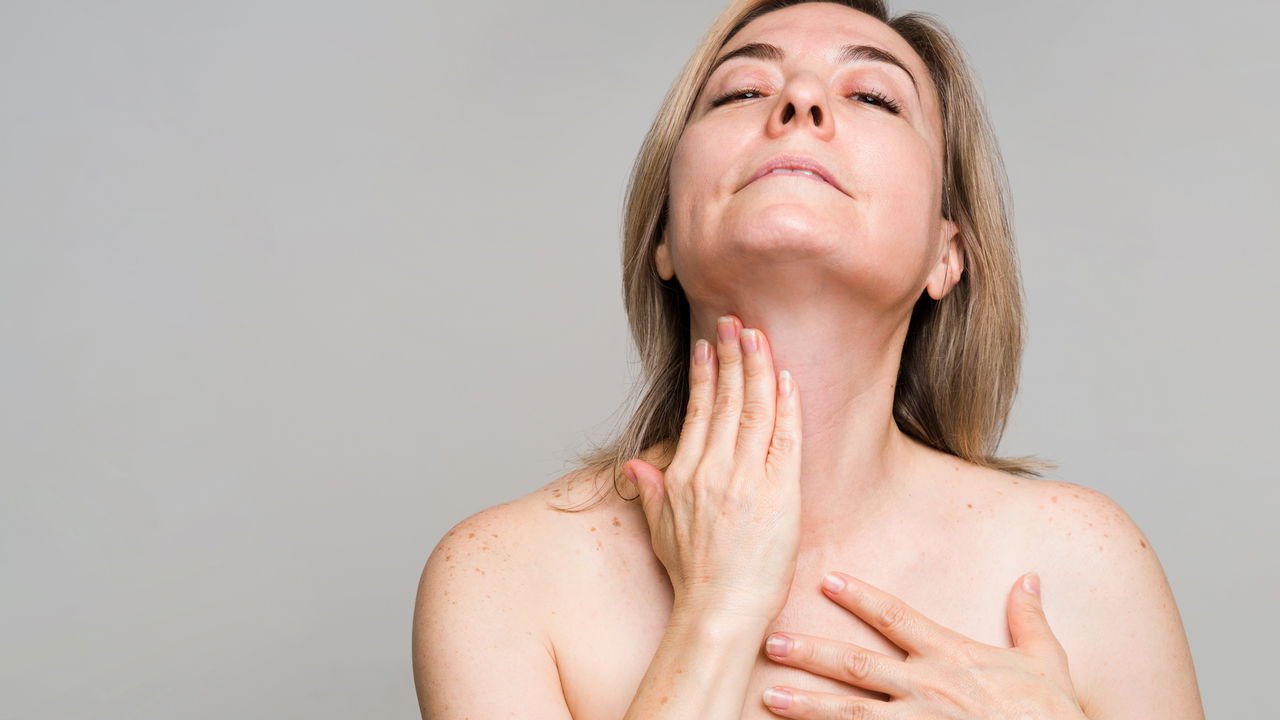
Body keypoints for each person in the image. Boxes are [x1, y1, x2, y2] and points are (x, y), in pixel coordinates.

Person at [413, 1, 1204, 718]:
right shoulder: (500, 576)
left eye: (874, 97)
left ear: (947, 252)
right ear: (664, 237)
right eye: (741, 91)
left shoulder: (1084, 561)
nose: (799, 101)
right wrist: (717, 610)